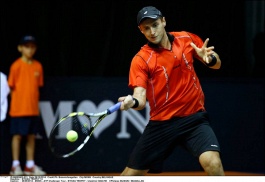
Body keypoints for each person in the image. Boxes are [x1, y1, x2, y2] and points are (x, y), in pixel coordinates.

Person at [117, 6, 225, 176]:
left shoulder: (186, 39)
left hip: (194, 119)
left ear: (164, 21)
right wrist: (133, 102)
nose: (152, 31)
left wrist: (210, 59)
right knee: (128, 176)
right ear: (141, 30)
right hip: (162, 124)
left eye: (155, 24)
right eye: (146, 28)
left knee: (214, 163)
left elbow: (217, 64)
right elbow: (140, 98)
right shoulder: (141, 59)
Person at [8, 35, 46, 175]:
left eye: (32, 47)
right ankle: (15, 165)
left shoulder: (38, 66)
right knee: (17, 136)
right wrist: (18, 103)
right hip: (18, 110)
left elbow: (37, 88)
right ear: (20, 48)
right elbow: (11, 88)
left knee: (31, 136)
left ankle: (30, 166)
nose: (30, 50)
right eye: (27, 47)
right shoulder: (16, 66)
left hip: (33, 110)